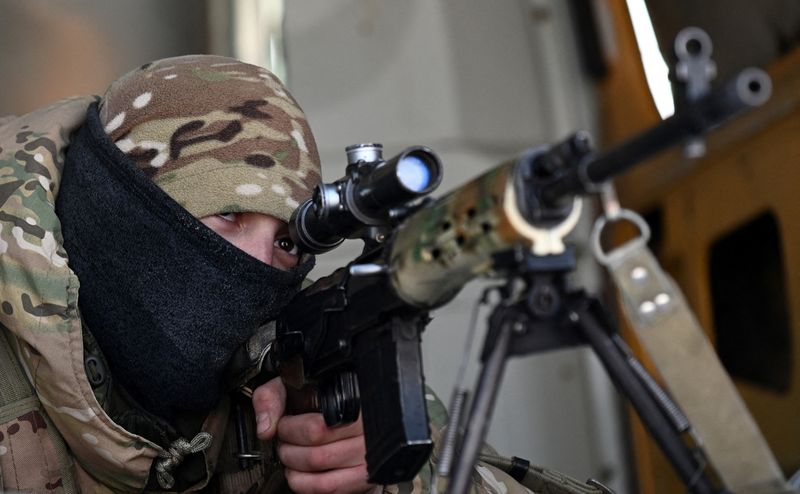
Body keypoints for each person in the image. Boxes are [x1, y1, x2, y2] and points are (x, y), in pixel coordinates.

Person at [0, 55, 557, 494]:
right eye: (228, 216)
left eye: (287, 242)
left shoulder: (293, 381)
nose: (256, 267)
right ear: (119, 213)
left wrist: (397, 474)